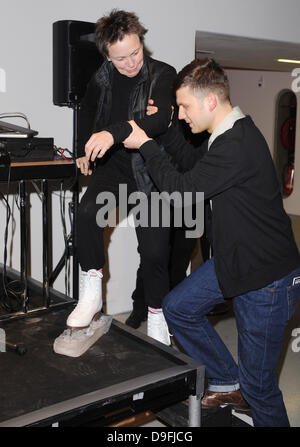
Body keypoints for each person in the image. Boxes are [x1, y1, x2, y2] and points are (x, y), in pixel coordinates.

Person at [122, 58, 300, 427]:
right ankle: (225, 379)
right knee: (179, 307)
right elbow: (189, 163)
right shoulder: (224, 134)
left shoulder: (237, 143)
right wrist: (166, 128)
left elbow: (182, 190)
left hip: (266, 279)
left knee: (261, 389)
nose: (183, 114)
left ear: (210, 102)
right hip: (234, 261)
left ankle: (244, 390)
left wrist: (145, 145)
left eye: (185, 107)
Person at [54, 9, 177, 356]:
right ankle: (91, 293)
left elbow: (157, 124)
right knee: (87, 214)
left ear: (142, 42)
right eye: (120, 58)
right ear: (107, 54)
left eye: (135, 52)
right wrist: (84, 148)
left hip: (150, 170)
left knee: (154, 252)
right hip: (114, 167)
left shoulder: (161, 75)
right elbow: (87, 111)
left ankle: (156, 316)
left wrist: (113, 131)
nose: (131, 63)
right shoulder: (102, 77)